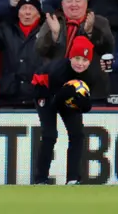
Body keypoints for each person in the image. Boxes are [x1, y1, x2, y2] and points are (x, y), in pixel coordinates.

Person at [31, 35, 95, 185]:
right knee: (49, 134)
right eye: (77, 58)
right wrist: (66, 94)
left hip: (65, 97)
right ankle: (40, 179)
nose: (80, 64)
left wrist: (83, 103)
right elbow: (54, 102)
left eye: (85, 60)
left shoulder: (89, 76)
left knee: (77, 135)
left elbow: (86, 107)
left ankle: (73, 178)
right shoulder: (57, 71)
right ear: (71, 57)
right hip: (44, 92)